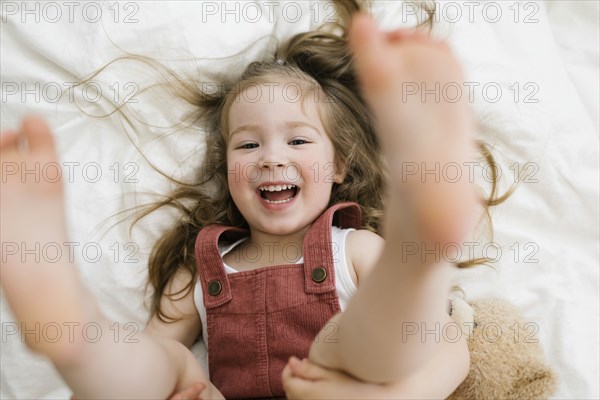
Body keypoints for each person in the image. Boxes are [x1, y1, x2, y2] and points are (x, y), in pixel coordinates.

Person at [1, 1, 488, 398]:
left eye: (298, 141)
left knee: (341, 345)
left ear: (339, 167)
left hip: (338, 389)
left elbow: (450, 345)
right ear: (226, 170)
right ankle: (73, 333)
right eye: (248, 144)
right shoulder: (202, 265)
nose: (271, 158)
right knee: (165, 363)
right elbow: (155, 353)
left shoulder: (353, 248)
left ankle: (420, 239)